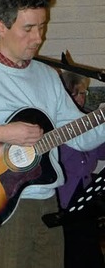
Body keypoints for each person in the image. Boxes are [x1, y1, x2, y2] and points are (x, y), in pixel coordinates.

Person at [0, 0, 105, 268]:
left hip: (48, 202)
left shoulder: (47, 76)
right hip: (3, 208)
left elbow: (80, 136)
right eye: (29, 28)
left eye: (42, 27)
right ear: (2, 26)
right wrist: (2, 131)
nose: (38, 38)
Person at [58, 71, 105, 268]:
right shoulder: (58, 125)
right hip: (64, 198)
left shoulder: (89, 121)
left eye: (84, 93)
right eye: (77, 93)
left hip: (86, 195)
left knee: (91, 253)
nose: (82, 98)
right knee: (71, 253)